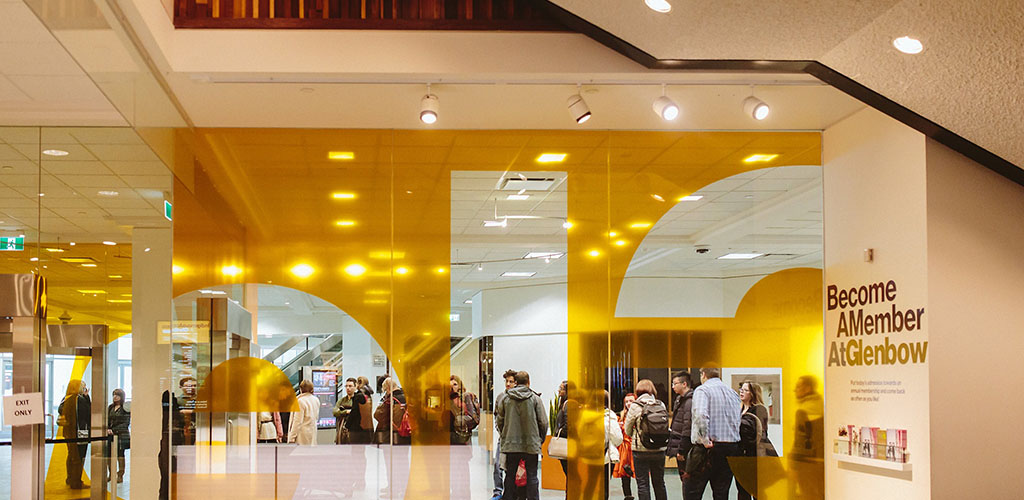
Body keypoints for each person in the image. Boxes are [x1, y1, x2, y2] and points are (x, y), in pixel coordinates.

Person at [685, 365, 742, 500]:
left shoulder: (703, 390)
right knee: (721, 493)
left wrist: (704, 439)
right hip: (730, 447)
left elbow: (700, 415)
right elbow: (737, 418)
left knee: (692, 491)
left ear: (703, 375)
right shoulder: (732, 393)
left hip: (707, 449)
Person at [496, 370, 548, 500]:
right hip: (531, 444)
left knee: (510, 475)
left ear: (516, 382)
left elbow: (500, 420)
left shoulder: (505, 399)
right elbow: (543, 422)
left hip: (511, 445)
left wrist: (505, 435)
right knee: (532, 475)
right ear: (528, 382)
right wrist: (539, 439)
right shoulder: (535, 399)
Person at [624, 379, 668, 500]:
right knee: (659, 482)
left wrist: (635, 434)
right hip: (659, 448)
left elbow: (627, 429)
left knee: (643, 483)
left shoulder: (635, 406)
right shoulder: (661, 404)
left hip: (640, 450)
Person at [581, 391, 623, 500]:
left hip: (591, 454)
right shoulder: (609, 416)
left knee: (590, 483)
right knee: (604, 486)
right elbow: (618, 438)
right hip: (605, 454)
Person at [790, 375, 823, 500]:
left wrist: (794, 466)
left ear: (808, 388)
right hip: (821, 460)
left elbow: (800, 441)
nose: (795, 390)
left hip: (807, 462)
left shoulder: (803, 410)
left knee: (808, 494)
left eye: (798, 387)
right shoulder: (822, 405)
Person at [737, 381, 769, 500]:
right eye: (741, 389)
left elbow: (760, 432)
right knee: (742, 490)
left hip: (754, 455)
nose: (741, 392)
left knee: (757, 490)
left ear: (753, 394)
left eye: (745, 390)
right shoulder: (739, 409)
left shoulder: (759, 409)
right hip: (741, 454)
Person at [59, 380, 90, 489]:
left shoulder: (65, 398)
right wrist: (87, 398)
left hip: (68, 432)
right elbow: (87, 413)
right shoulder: (80, 399)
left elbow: (60, 411)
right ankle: (76, 482)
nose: (85, 388)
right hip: (81, 431)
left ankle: (70, 478)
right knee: (79, 456)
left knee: (71, 455)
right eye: (83, 386)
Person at [666, 372, 694, 490]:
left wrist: (682, 450)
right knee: (683, 478)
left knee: (688, 480)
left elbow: (687, 427)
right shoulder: (679, 399)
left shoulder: (689, 401)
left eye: (675, 383)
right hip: (679, 444)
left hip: (686, 448)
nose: (673, 386)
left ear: (684, 384)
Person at [493, 369, 517, 500]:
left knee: (511, 467)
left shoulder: (518, 398)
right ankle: (497, 491)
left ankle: (510, 492)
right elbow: (497, 417)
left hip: (514, 439)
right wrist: (501, 431)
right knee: (497, 465)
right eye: (506, 381)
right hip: (503, 437)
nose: (508, 384)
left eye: (511, 381)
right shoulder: (500, 397)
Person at [613, 393, 637, 500]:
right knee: (624, 476)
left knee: (639, 475)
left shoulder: (639, 414)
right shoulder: (621, 416)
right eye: (626, 402)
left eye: (631, 401)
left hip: (635, 447)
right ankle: (628, 496)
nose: (628, 404)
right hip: (624, 448)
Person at [107, 388, 131, 483]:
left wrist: (114, 430)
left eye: (117, 395)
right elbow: (107, 420)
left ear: (121, 397)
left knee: (120, 455)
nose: (115, 397)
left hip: (121, 435)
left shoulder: (125, 408)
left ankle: (120, 475)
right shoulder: (110, 407)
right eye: (114, 395)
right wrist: (107, 429)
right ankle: (111, 474)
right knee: (109, 455)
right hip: (110, 435)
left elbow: (126, 423)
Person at [450, 374, 481, 444]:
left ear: (459, 385)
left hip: (463, 437)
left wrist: (458, 420)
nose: (452, 387)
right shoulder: (446, 401)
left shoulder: (465, 397)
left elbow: (472, 418)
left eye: (455, 384)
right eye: (450, 385)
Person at [288, 379, 319, 445]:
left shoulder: (300, 401)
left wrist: (292, 437)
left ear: (301, 389)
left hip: (302, 436)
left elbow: (297, 421)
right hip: (312, 433)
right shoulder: (316, 400)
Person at [346, 377, 374, 444]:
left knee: (355, 449)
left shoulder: (358, 396)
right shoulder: (368, 396)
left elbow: (354, 412)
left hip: (357, 428)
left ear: (357, 384)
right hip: (367, 428)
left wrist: (347, 425)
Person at [333, 377, 357, 444]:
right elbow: (335, 412)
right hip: (342, 429)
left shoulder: (357, 399)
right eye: (346, 386)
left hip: (354, 430)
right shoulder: (342, 400)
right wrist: (346, 412)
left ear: (355, 387)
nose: (348, 388)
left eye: (350, 386)